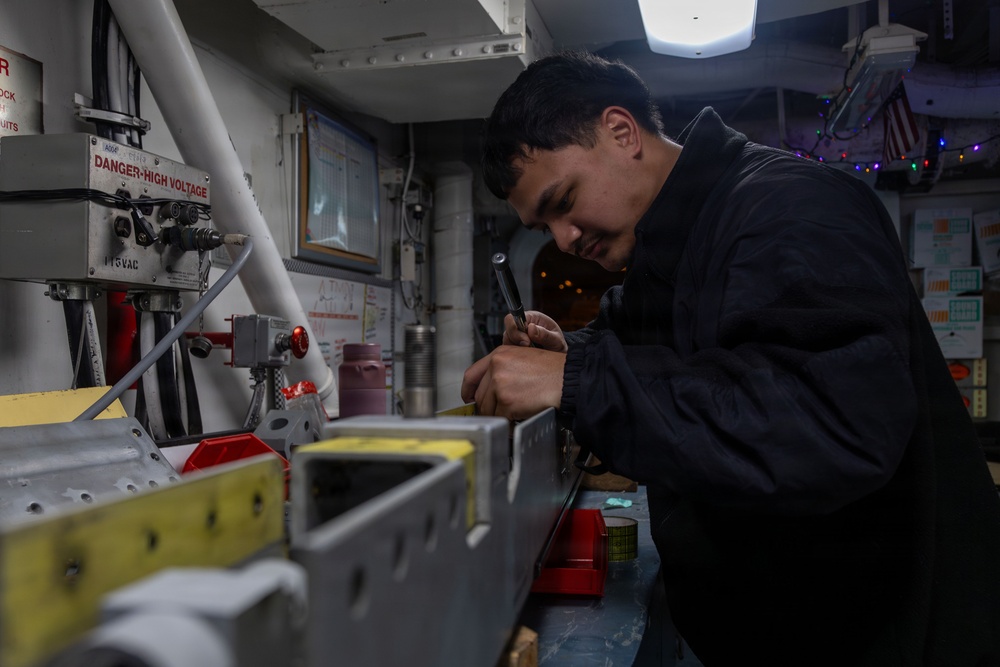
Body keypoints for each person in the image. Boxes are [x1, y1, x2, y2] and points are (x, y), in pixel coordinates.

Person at [461, 51, 1000, 666]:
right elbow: (651, 355)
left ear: (621, 131)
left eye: (563, 202)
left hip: (879, 640)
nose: (564, 241)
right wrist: (566, 355)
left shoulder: (790, 211)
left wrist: (576, 379)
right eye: (543, 226)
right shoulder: (666, 255)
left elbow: (824, 426)